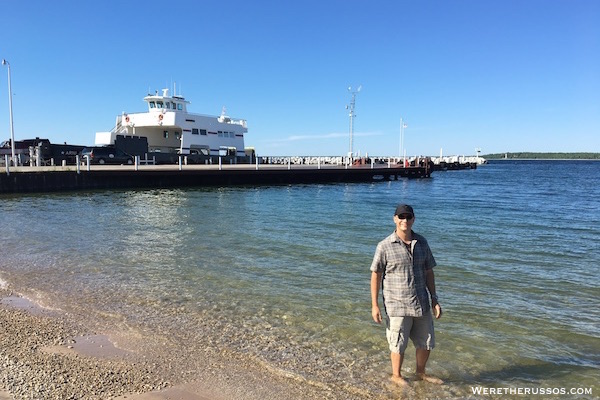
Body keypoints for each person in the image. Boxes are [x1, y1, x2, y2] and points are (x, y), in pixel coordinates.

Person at [370, 204, 443, 386]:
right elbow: (376, 275)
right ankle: (396, 375)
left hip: (422, 303)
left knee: (426, 342)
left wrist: (434, 299)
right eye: (401, 217)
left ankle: (420, 374)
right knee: (398, 343)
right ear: (395, 219)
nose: (405, 220)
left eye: (408, 217)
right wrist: (375, 305)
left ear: (413, 220)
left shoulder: (422, 243)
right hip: (397, 304)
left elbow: (428, 272)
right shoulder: (384, 246)